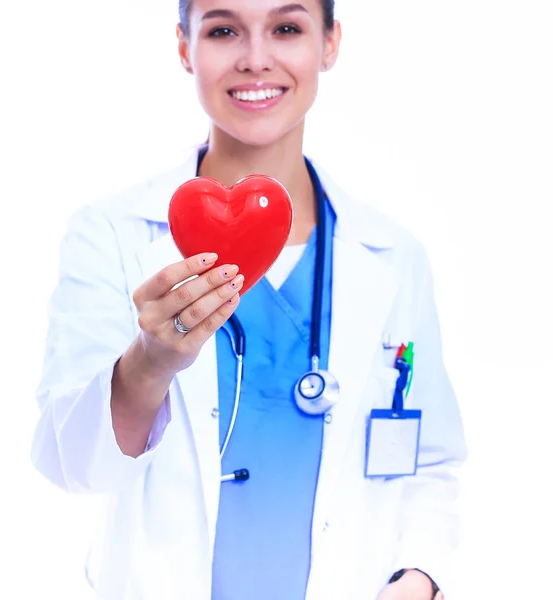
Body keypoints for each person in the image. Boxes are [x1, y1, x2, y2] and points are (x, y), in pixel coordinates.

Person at [31, 1, 467, 599]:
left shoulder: (393, 255)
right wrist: (149, 363)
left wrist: (418, 578)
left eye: (287, 28)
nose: (255, 59)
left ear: (330, 44)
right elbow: (73, 465)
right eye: (223, 30)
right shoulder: (110, 233)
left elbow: (433, 463)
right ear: (184, 47)